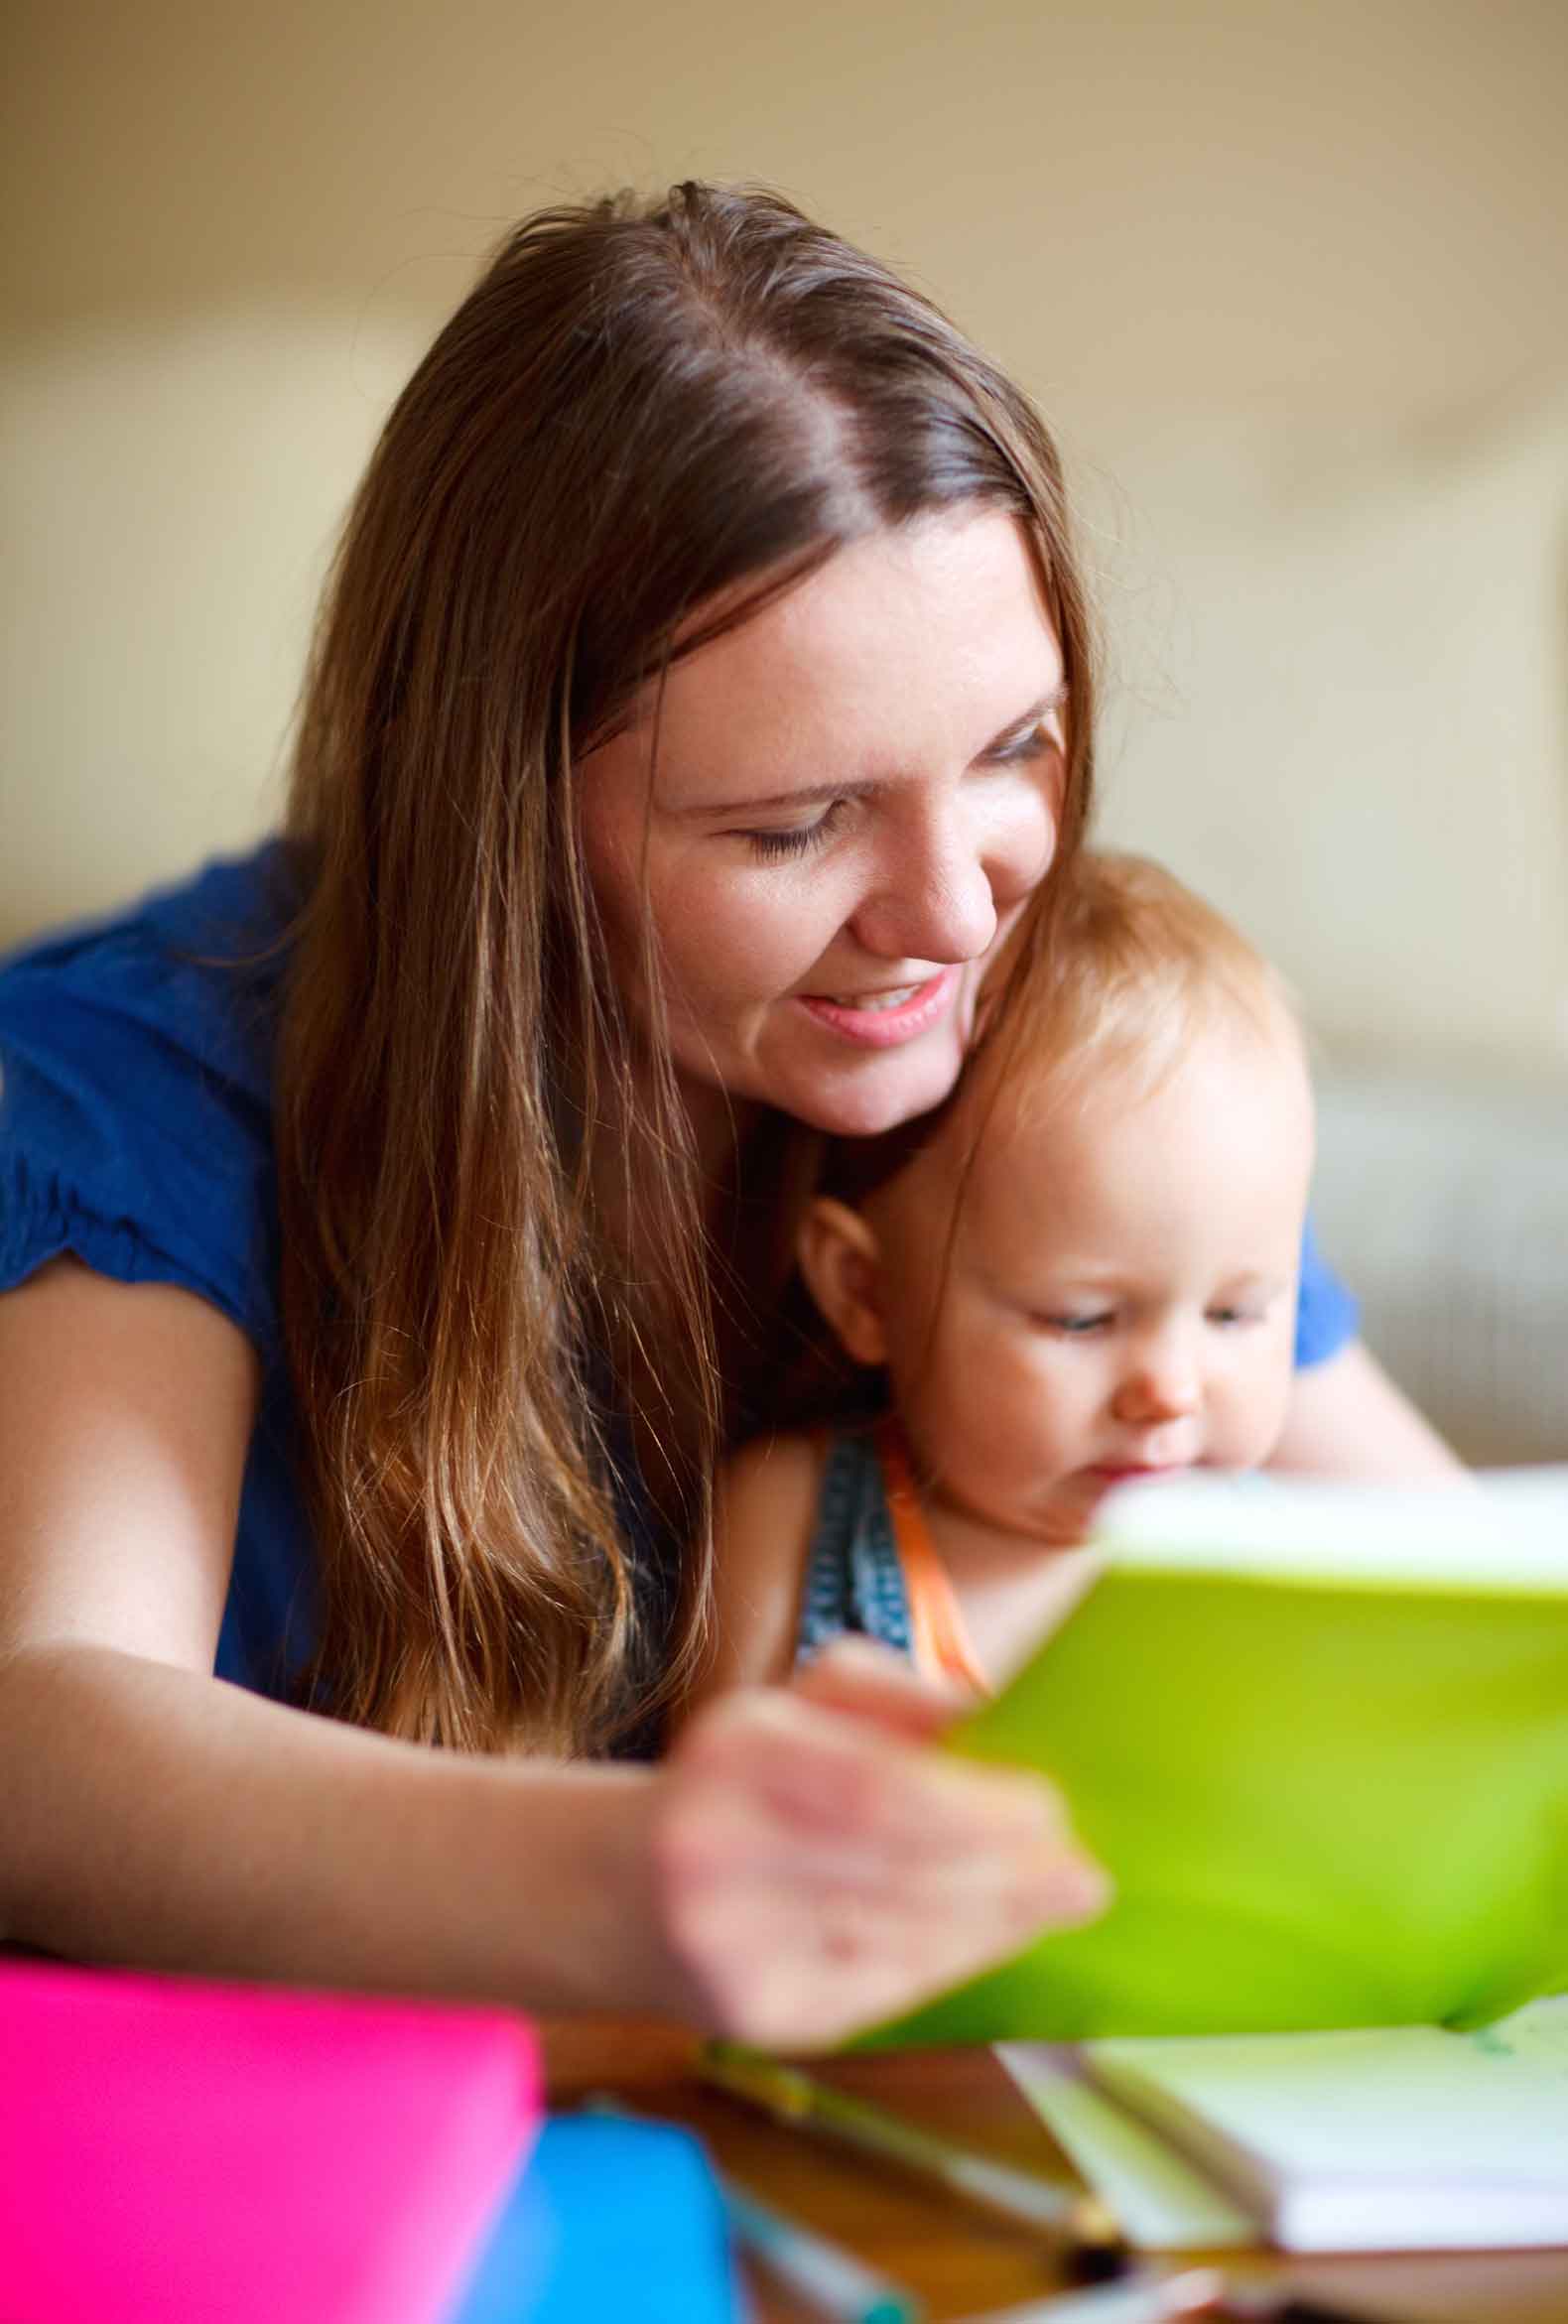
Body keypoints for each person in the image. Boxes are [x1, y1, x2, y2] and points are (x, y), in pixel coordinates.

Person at [0, 185, 1457, 2049]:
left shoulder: (1024, 1023)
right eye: (797, 824)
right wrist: (632, 1874)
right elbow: (46, 1735)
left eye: (1014, 749)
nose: (956, 912)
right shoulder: (151, 1080)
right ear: (506, 823)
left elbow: (1463, 1584)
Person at [699, 850, 1334, 1701]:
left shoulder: (1302, 1566)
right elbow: (706, 1808)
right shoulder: (797, 1518)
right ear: (864, 1291)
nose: (1172, 1389)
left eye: (1236, 1312)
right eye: (1082, 1320)